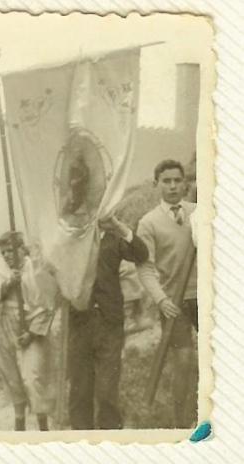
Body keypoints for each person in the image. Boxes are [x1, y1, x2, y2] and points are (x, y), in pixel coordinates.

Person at [69, 215, 149, 430]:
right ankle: (81, 441)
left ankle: (110, 438)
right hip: (79, 322)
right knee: (80, 390)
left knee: (107, 390)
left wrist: (119, 226)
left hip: (109, 322)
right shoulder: (71, 238)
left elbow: (141, 254)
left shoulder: (113, 238)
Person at [137, 159, 198, 428]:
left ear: (185, 183)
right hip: (174, 302)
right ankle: (181, 423)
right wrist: (161, 300)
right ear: (157, 184)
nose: (173, 186)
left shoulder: (199, 213)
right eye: (166, 181)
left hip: (206, 298)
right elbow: (145, 268)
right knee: (183, 359)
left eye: (177, 180)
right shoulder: (148, 223)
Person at [0, 232, 60, 431]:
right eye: (3, 253)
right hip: (7, 328)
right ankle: (19, 425)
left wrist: (32, 333)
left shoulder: (35, 268)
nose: (7, 256)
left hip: (31, 329)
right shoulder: (3, 270)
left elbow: (48, 304)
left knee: (33, 378)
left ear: (21, 249)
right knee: (13, 379)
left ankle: (43, 426)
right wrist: (9, 283)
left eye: (10, 251)